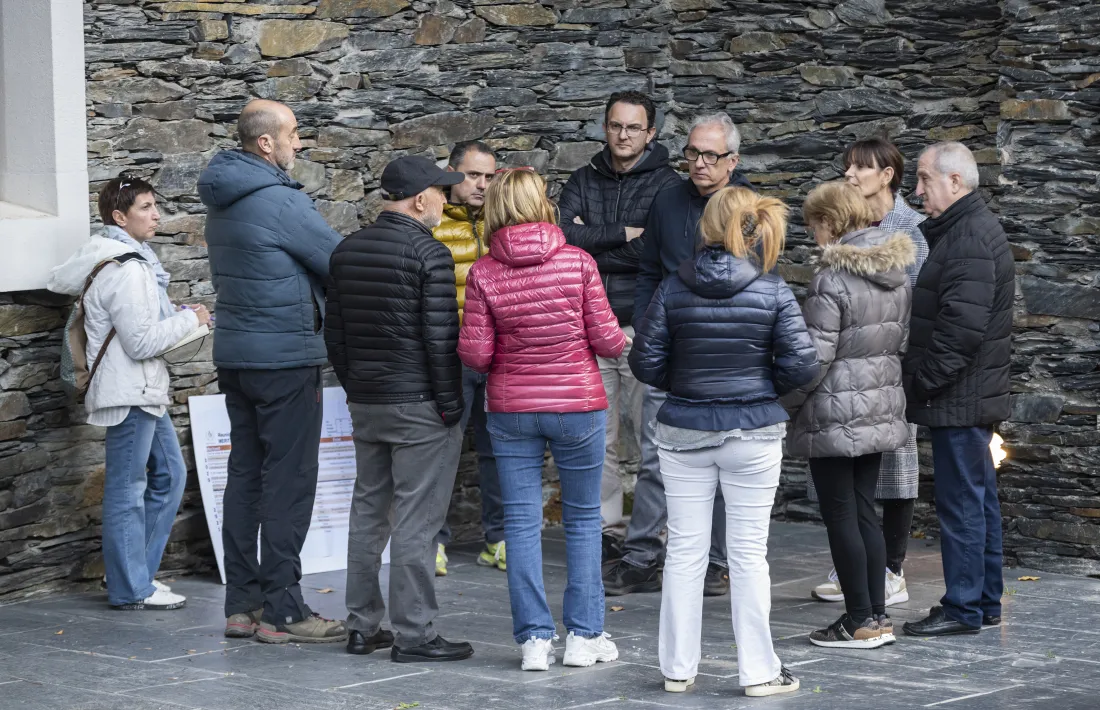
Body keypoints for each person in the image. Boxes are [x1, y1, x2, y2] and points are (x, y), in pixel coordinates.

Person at [631, 186, 815, 697]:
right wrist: (759, 391)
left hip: (683, 430)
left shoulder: (672, 288)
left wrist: (685, 385)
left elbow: (644, 362)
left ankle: (677, 669)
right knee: (748, 554)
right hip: (752, 433)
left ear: (705, 227)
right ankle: (759, 672)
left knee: (684, 551)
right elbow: (803, 364)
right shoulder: (773, 290)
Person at [457, 168, 626, 672]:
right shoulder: (578, 262)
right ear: (542, 204)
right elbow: (608, 340)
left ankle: (533, 642)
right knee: (581, 519)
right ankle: (583, 636)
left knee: (522, 524)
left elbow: (478, 355)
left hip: (511, 410)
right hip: (578, 405)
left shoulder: (484, 272)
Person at [199, 99, 346, 644]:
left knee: (245, 479)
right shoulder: (278, 200)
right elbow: (339, 262)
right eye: (294, 133)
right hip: (285, 359)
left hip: (236, 356)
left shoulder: (223, 197)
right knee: (288, 482)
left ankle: (242, 607)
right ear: (267, 143)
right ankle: (285, 609)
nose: (299, 142)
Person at [326, 155, 474, 663]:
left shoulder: (346, 251)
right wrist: (451, 407)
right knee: (416, 520)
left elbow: (336, 337)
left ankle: (361, 627)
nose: (446, 199)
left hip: (367, 403)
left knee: (369, 513)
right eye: (441, 191)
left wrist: (356, 388)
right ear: (419, 199)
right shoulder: (427, 254)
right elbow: (440, 341)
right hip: (418, 406)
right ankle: (414, 635)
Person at [606, 112, 752, 598]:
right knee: (656, 451)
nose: (699, 163)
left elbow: (755, 282)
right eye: (692, 153)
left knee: (722, 455)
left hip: (723, 353)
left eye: (710, 155)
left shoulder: (748, 207)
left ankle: (716, 560)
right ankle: (643, 553)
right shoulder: (668, 200)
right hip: (668, 344)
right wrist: (648, 327)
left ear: (732, 160)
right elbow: (648, 269)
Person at [48, 174, 209, 611]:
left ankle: (140, 577)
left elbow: (135, 330)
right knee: (127, 488)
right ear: (119, 217)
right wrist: (192, 320)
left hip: (140, 390)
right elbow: (140, 343)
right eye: (144, 208)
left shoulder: (133, 262)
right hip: (129, 392)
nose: (156, 214)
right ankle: (129, 587)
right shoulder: (127, 267)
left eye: (155, 206)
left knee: (170, 477)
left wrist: (175, 315)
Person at [784, 181, 915, 649]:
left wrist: (787, 405)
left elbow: (812, 360)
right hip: (879, 408)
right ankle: (877, 616)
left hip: (834, 413)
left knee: (841, 514)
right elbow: (899, 345)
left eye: (813, 225)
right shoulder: (895, 273)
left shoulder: (830, 278)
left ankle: (858, 619)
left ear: (831, 222)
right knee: (865, 513)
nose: (813, 235)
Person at [557, 91, 682, 561]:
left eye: (633, 127)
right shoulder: (582, 178)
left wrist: (596, 241)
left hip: (639, 328)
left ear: (650, 133)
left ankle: (652, 534)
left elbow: (655, 249)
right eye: (615, 125)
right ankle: (604, 532)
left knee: (653, 440)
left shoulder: (669, 186)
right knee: (595, 439)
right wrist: (620, 234)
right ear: (604, 127)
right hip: (585, 329)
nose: (622, 135)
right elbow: (562, 238)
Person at [809, 137, 929, 607]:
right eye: (847, 168)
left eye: (861, 168)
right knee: (857, 492)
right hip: (861, 363)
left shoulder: (911, 229)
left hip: (888, 363)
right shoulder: (845, 226)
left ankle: (890, 569)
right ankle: (859, 572)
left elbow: (914, 300)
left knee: (895, 469)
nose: (851, 175)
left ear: (887, 175)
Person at [902, 142, 1014, 637]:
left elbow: (959, 333)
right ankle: (983, 601)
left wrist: (921, 385)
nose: (918, 189)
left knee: (963, 504)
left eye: (925, 179)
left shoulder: (968, 237)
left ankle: (965, 606)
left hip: (958, 398)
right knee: (978, 499)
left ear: (955, 182)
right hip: (966, 396)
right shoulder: (968, 229)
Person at [431, 140, 505, 577]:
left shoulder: (502, 222)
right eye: (472, 175)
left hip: (498, 356)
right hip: (450, 356)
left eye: (488, 176)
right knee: (443, 450)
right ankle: (433, 541)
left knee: (500, 451)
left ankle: (498, 540)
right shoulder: (432, 219)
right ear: (451, 172)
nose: (481, 184)